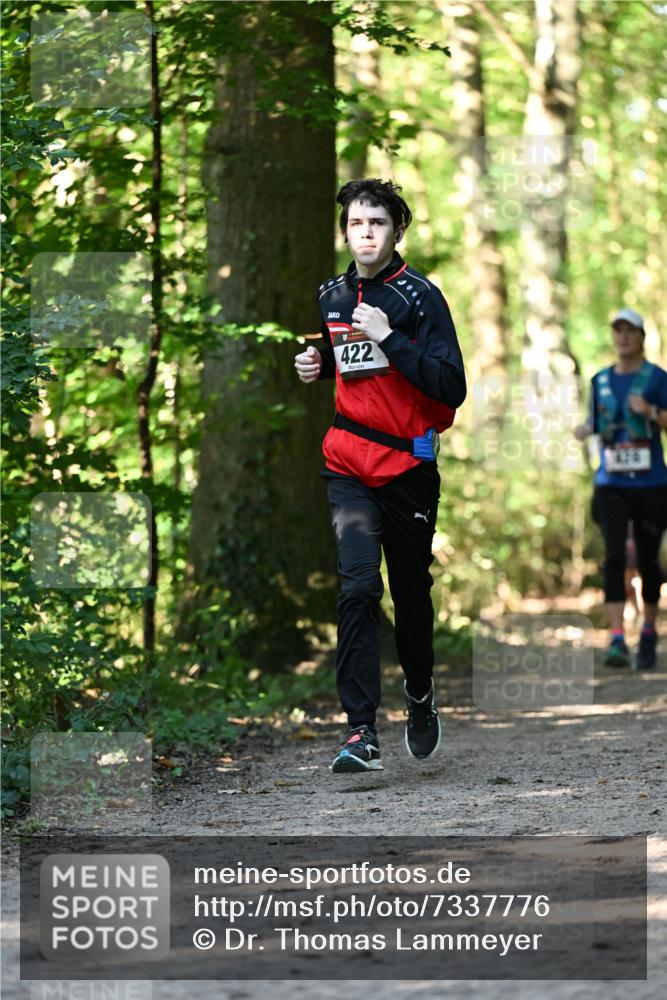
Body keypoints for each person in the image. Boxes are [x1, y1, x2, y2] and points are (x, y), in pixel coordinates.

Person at [294, 179, 466, 772]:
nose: (364, 233)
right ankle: (360, 732)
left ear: (397, 231)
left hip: (408, 466)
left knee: (410, 593)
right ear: (345, 231)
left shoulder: (421, 298)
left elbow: (451, 388)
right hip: (347, 463)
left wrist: (390, 338)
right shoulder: (330, 294)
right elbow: (345, 365)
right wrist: (315, 367)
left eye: (377, 223)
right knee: (359, 587)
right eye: (355, 224)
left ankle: (419, 692)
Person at [575, 307, 667, 669]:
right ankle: (616, 639)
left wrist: (651, 412)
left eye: (630, 331)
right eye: (618, 331)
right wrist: (585, 429)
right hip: (610, 482)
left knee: (647, 559)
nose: (623, 337)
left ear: (642, 337)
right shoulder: (599, 380)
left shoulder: (658, 378)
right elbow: (594, 423)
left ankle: (647, 631)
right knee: (614, 557)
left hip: (653, 483)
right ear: (613, 337)